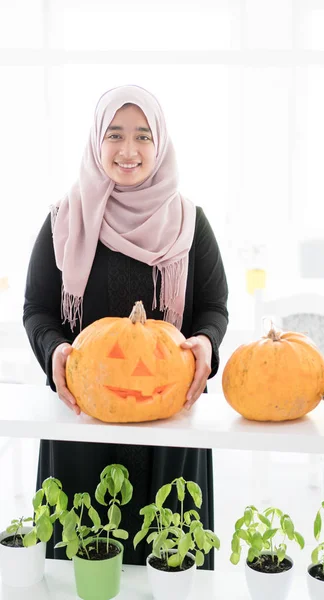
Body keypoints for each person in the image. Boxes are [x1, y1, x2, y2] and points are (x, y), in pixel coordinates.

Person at [23, 84, 229, 568]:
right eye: (114, 135)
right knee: (84, 567)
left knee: (171, 565)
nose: (129, 150)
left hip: (169, 424)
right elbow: (37, 309)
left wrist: (204, 342)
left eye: (142, 136)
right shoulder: (63, 220)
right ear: (97, 142)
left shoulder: (189, 222)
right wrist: (55, 351)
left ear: (160, 144)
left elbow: (214, 308)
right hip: (84, 419)